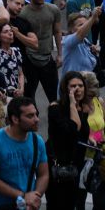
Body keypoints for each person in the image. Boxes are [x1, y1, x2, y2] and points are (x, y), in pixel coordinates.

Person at [0, 97, 49, 210]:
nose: (37, 119)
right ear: (15, 119)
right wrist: (22, 196)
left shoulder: (38, 141)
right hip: (1, 206)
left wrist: (35, 196)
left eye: (36, 114)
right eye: (30, 116)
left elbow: (43, 175)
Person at [46, 71, 93, 210]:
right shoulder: (55, 108)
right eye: (73, 86)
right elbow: (73, 129)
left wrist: (89, 139)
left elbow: (81, 133)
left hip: (76, 165)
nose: (77, 89)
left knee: (74, 203)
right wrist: (72, 103)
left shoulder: (84, 108)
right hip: (58, 165)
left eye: (80, 85)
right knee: (57, 204)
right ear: (65, 89)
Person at [19, 0, 63, 103]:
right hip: (29, 60)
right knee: (28, 97)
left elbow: (57, 32)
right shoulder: (22, 13)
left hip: (47, 58)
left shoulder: (53, 9)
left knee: (54, 97)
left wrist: (59, 54)